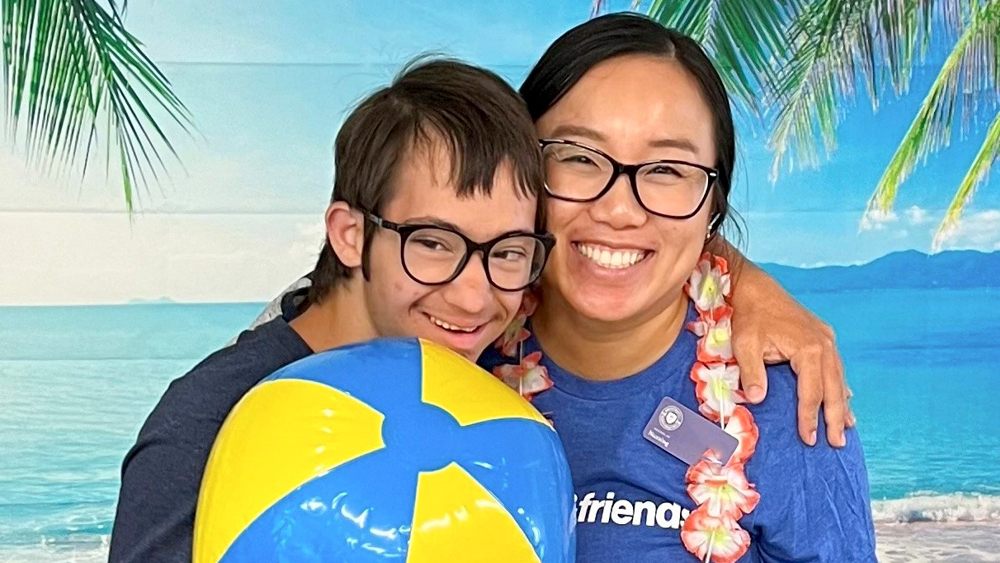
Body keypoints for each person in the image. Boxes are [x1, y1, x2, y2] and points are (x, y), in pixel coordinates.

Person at [108, 59, 556, 563]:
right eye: (433, 243)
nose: (474, 297)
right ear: (351, 234)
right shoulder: (211, 419)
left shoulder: (486, 388)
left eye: (510, 251)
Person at [478, 13, 876, 561]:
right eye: (577, 157)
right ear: (519, 166)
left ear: (713, 205)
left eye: (667, 169)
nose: (618, 209)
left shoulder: (785, 404)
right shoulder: (457, 347)